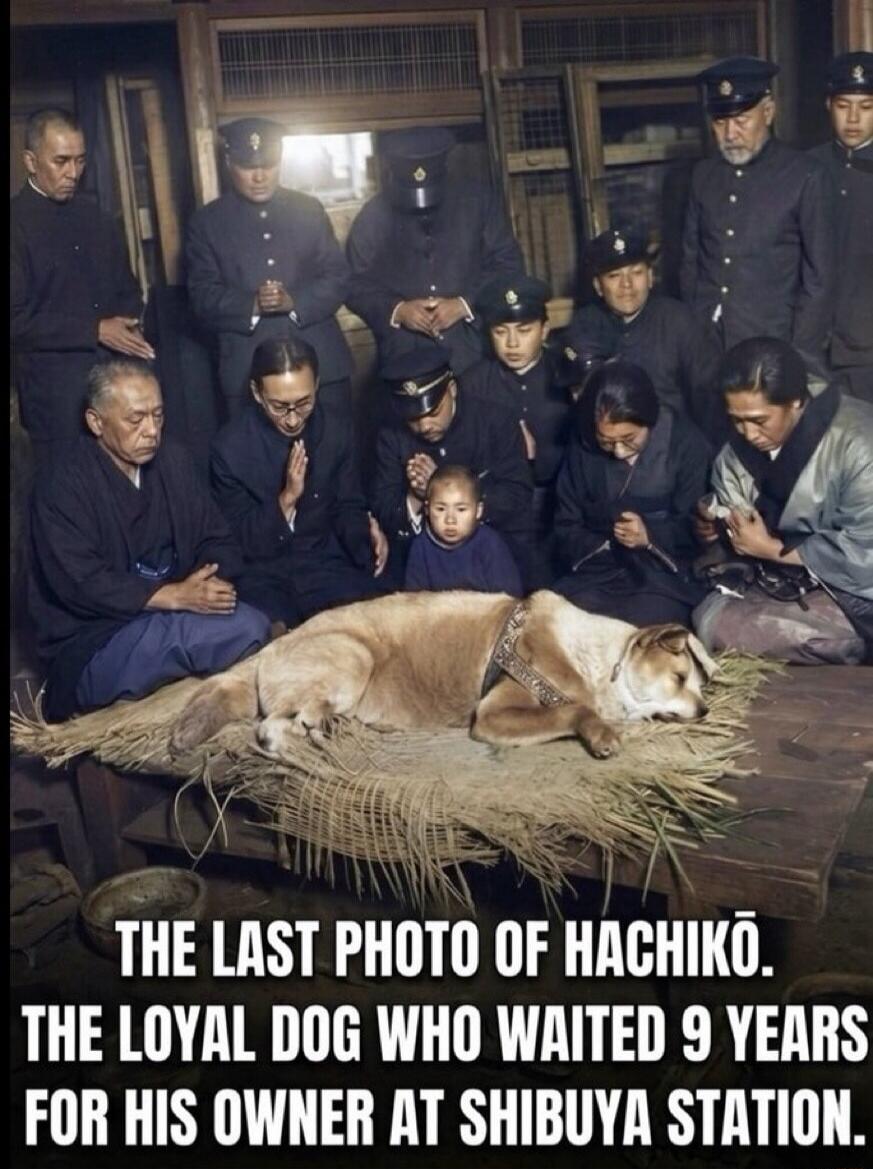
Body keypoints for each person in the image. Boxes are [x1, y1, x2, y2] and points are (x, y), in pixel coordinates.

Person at [28, 360, 269, 722]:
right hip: (96, 637)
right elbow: (79, 582)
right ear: (96, 422)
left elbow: (217, 537)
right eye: (135, 419)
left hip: (175, 612)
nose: (151, 430)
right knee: (242, 631)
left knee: (255, 619)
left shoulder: (173, 460)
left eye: (158, 415)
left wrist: (207, 583)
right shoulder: (62, 483)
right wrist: (173, 596)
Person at [692, 337, 873, 664]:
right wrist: (717, 519)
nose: (747, 434)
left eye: (759, 421)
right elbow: (732, 499)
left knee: (780, 634)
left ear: (796, 403)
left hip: (855, 589)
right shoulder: (739, 448)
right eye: (737, 419)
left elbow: (867, 550)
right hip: (786, 580)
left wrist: (771, 549)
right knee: (709, 619)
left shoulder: (860, 443)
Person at [210, 338, 388, 629]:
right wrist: (286, 500)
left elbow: (348, 504)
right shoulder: (229, 449)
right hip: (265, 572)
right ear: (256, 393)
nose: (293, 420)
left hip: (323, 562)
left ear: (317, 384)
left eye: (303, 403)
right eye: (279, 406)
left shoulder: (336, 428)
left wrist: (366, 541)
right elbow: (240, 541)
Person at [12, 108, 154, 468]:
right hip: (55, 401)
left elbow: (128, 290)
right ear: (30, 161)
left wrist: (128, 322)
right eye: (60, 161)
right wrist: (96, 330)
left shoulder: (98, 218)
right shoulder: (15, 225)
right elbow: (15, 321)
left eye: (80, 161)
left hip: (114, 390)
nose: (72, 173)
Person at [186, 118, 353, 419]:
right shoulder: (207, 223)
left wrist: (295, 302)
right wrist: (252, 304)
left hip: (323, 368)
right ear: (228, 162)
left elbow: (339, 277)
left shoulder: (309, 209)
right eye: (248, 167)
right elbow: (201, 298)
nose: (260, 176)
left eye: (270, 165)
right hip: (247, 371)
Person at [680, 57, 835, 364]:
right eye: (720, 122)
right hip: (709, 342)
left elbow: (819, 280)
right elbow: (690, 260)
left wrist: (798, 354)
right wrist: (694, 329)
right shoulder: (703, 175)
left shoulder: (805, 175)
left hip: (774, 344)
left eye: (741, 120)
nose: (730, 134)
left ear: (768, 112)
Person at [346, 126, 525, 378]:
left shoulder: (479, 201)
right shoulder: (372, 216)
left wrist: (464, 304)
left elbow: (509, 264)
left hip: (474, 350)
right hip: (406, 356)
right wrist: (397, 310)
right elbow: (353, 283)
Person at [551, 360, 711, 627]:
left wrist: (649, 537)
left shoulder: (684, 443)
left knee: (647, 625)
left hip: (662, 574)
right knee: (568, 621)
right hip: (597, 571)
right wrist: (604, 543)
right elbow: (566, 523)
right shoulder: (582, 445)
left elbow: (694, 526)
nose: (618, 452)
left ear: (650, 419)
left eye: (629, 439)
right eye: (606, 441)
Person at [370, 341, 534, 583]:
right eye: (413, 418)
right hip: (424, 561)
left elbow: (518, 492)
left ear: (452, 389)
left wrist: (446, 491)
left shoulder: (496, 421)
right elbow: (384, 509)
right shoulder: (390, 436)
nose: (424, 426)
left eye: (434, 412)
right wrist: (416, 497)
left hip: (493, 553)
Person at [463, 274, 574, 583]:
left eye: (524, 331)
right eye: (501, 332)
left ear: (545, 330)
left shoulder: (568, 374)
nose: (512, 344)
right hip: (500, 509)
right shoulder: (472, 384)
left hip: (559, 503)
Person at [567, 227, 723, 436]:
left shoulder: (678, 321)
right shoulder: (585, 325)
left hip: (674, 447)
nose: (627, 285)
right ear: (598, 286)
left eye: (637, 272)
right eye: (614, 276)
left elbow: (709, 400)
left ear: (650, 276)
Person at [808, 51, 873, 403]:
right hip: (814, 348)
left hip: (868, 351)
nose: (853, 119)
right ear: (828, 105)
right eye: (843, 105)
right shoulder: (805, 169)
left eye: (866, 107)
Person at [404, 464, 523, 595]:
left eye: (461, 509)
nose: (450, 520)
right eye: (440, 509)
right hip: (437, 614)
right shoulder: (420, 547)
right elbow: (413, 603)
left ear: (478, 511)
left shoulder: (491, 544)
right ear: (427, 509)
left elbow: (509, 601)